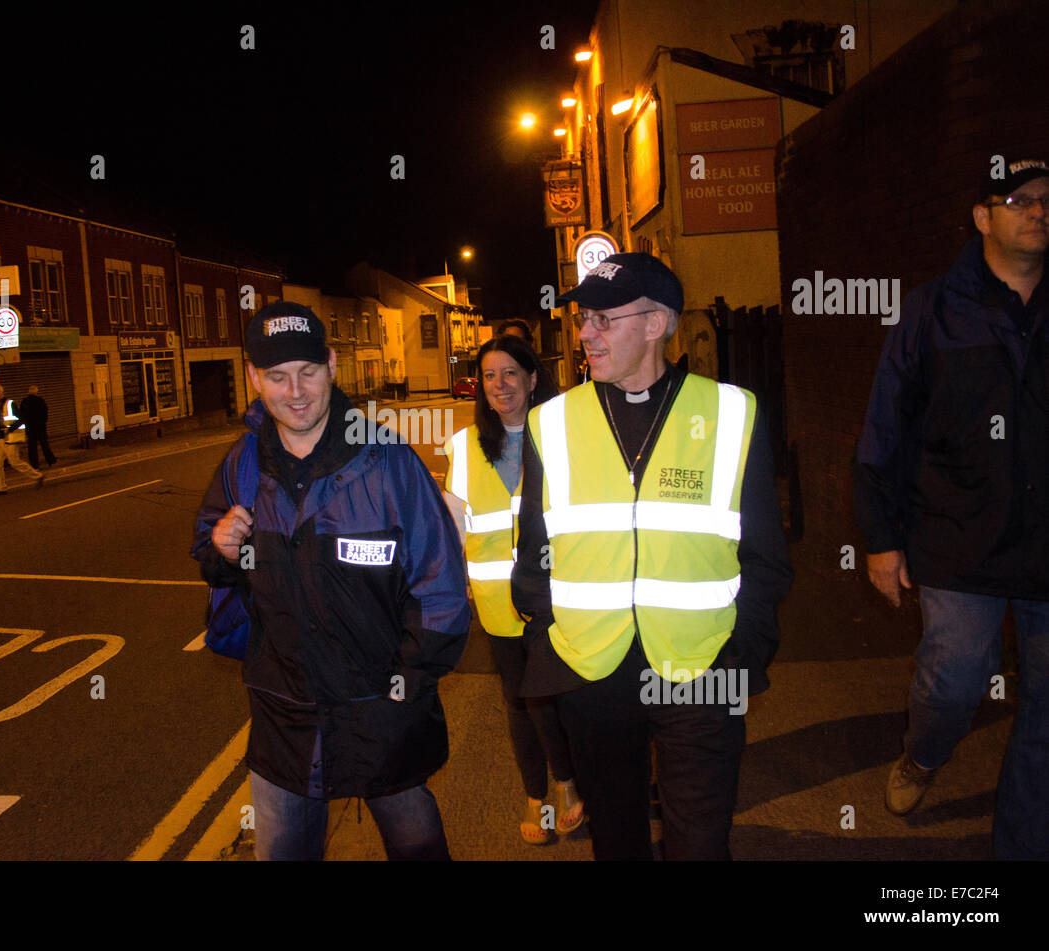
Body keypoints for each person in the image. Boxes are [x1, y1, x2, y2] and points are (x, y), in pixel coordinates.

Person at [512, 252, 792, 860]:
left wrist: (742, 650)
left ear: (657, 323)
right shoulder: (551, 423)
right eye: (584, 318)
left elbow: (765, 555)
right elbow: (534, 556)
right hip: (593, 670)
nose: (585, 333)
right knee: (617, 841)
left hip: (704, 667)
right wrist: (548, 635)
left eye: (603, 320)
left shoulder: (731, 413)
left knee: (700, 843)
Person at [192, 301, 470, 861]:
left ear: (333, 365)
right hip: (283, 718)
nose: (295, 391)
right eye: (276, 376)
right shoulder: (241, 466)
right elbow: (210, 555)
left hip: (381, 710)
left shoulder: (388, 462)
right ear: (253, 378)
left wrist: (406, 688)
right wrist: (221, 550)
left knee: (417, 845)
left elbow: (440, 590)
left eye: (308, 371)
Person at [855, 158, 1049, 859]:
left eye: (1046, 201)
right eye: (1019, 199)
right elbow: (887, 427)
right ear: (982, 217)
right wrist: (881, 537)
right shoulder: (933, 309)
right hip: (957, 537)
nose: (1037, 211)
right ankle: (924, 755)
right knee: (955, 676)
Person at [442, 335, 581, 844]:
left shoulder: (561, 438)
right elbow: (452, 529)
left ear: (531, 378)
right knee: (519, 701)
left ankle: (567, 783)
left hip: (555, 597)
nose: (498, 385)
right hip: (498, 604)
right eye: (489, 376)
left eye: (509, 374)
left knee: (552, 697)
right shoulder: (463, 444)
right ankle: (536, 796)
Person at [0, 382, 43, 495]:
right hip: (1, 439)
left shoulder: (10, 404)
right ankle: (0, 488)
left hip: (11, 438)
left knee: (15, 462)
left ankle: (38, 476)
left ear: (2, 393)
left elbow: (22, 418)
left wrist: (10, 429)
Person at [20, 384, 58, 469]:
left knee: (32, 446)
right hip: (40, 427)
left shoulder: (24, 401)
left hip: (30, 428)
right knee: (44, 444)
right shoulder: (40, 400)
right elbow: (45, 413)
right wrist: (43, 423)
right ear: (36, 392)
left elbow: (22, 415)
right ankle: (50, 460)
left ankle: (34, 464)